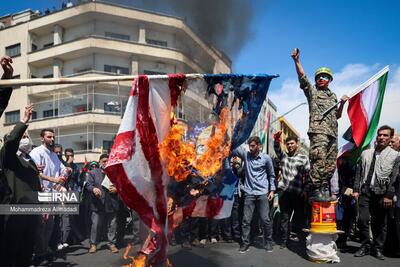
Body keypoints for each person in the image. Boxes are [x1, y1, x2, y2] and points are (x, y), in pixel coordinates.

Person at [291, 48, 349, 201]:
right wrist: (297, 61)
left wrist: (342, 104)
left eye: (325, 76)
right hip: (319, 132)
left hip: (332, 133)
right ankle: (316, 189)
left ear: (329, 79)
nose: (321, 78)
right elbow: (303, 78)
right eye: (319, 77)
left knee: (330, 164)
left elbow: (337, 115)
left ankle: (324, 188)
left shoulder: (333, 96)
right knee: (319, 160)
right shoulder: (313, 92)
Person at [0, 104, 42, 266]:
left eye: (26, 136)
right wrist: (23, 120)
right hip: (15, 209)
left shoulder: (29, 160)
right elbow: (11, 142)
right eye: (22, 136)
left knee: (26, 248)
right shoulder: (8, 156)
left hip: (32, 209)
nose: (25, 138)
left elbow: (36, 186)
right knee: (11, 249)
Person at [352, 125, 400, 260]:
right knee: (362, 220)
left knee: (380, 224)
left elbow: (394, 177)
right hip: (365, 192)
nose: (382, 137)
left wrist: (389, 195)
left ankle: (377, 248)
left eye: (385, 135)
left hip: (382, 193)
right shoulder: (366, 153)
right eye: (380, 135)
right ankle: (365, 245)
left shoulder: (396, 156)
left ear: (390, 138)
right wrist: (356, 190)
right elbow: (359, 173)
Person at [29, 128, 70, 262]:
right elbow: (35, 173)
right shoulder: (36, 152)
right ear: (42, 138)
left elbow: (63, 169)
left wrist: (65, 174)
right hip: (41, 194)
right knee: (40, 225)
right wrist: (53, 180)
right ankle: (35, 253)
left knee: (49, 226)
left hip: (53, 195)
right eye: (49, 137)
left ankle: (42, 251)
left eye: (53, 137)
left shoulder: (54, 155)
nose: (52, 139)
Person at [232, 136, 275, 253]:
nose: (250, 148)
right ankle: (245, 243)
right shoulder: (246, 155)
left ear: (259, 146)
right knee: (246, 220)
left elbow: (271, 175)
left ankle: (268, 242)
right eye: (249, 146)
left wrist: (272, 191)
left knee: (265, 219)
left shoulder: (266, 158)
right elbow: (234, 147)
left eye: (253, 146)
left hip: (262, 193)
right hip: (249, 193)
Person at [273, 131, 310, 248]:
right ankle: (284, 241)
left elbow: (308, 175)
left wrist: (305, 190)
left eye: (292, 143)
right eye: (287, 144)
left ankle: (300, 241)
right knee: (284, 217)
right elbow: (277, 149)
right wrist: (276, 139)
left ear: (297, 144)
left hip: (298, 192)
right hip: (284, 192)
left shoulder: (304, 158)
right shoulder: (284, 157)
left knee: (299, 218)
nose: (289, 146)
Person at [86, 154, 119, 254]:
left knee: (112, 224)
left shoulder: (115, 172)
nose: (106, 163)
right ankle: (93, 244)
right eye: (104, 161)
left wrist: (117, 189)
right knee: (95, 224)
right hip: (98, 202)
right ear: (99, 162)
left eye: (107, 161)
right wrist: (94, 189)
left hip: (112, 202)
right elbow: (88, 185)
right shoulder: (93, 172)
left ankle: (111, 243)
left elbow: (122, 185)